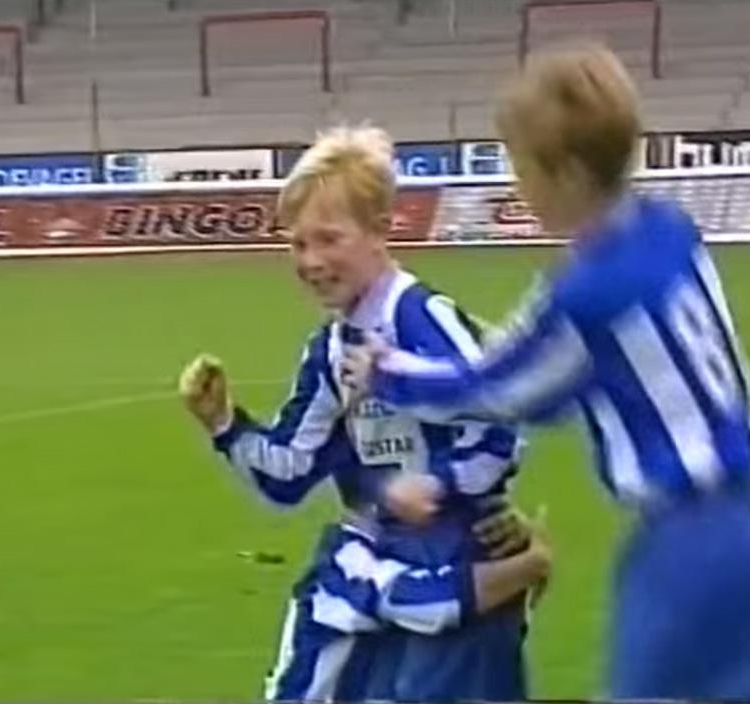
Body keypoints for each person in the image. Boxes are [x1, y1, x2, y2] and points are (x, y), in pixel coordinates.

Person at [342, 44, 750, 701]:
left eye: (522, 167)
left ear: (569, 174)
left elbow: (494, 388)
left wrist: (387, 371)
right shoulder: (671, 230)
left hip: (687, 555)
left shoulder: (586, 294)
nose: (519, 187)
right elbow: (574, 389)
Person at [178, 125, 550, 702]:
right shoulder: (330, 348)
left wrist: (437, 483)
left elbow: (502, 416)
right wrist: (224, 423)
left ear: (381, 231)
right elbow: (289, 475)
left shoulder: (422, 317)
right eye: (297, 244)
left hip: (462, 560)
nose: (310, 260)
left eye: (329, 239)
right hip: (385, 570)